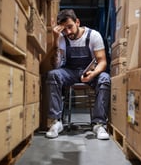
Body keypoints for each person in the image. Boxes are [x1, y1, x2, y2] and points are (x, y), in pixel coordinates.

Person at [46, 9, 111, 140]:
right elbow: (56, 65)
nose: (68, 32)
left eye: (70, 27)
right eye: (64, 29)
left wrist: (93, 74)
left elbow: (102, 62)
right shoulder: (62, 38)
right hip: (70, 71)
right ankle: (56, 121)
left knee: (104, 78)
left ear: (77, 22)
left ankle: (99, 124)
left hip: (89, 71)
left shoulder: (93, 36)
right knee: (53, 74)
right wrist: (55, 40)